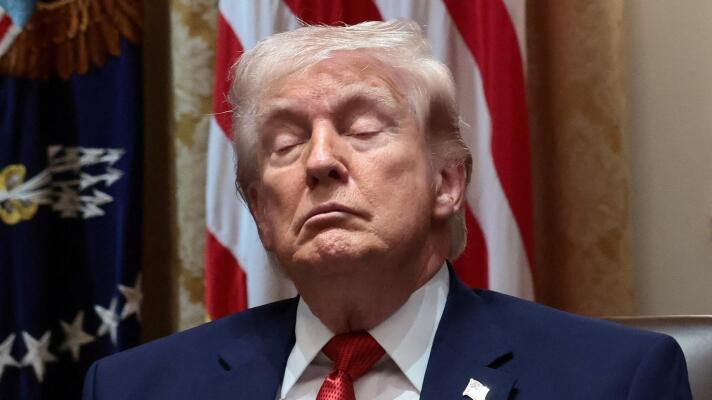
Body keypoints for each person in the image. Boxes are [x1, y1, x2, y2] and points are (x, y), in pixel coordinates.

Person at [83, 21, 692, 400]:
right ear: (261, 211)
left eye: (363, 129)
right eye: (286, 143)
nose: (321, 160)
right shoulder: (134, 388)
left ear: (447, 182)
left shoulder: (612, 380)